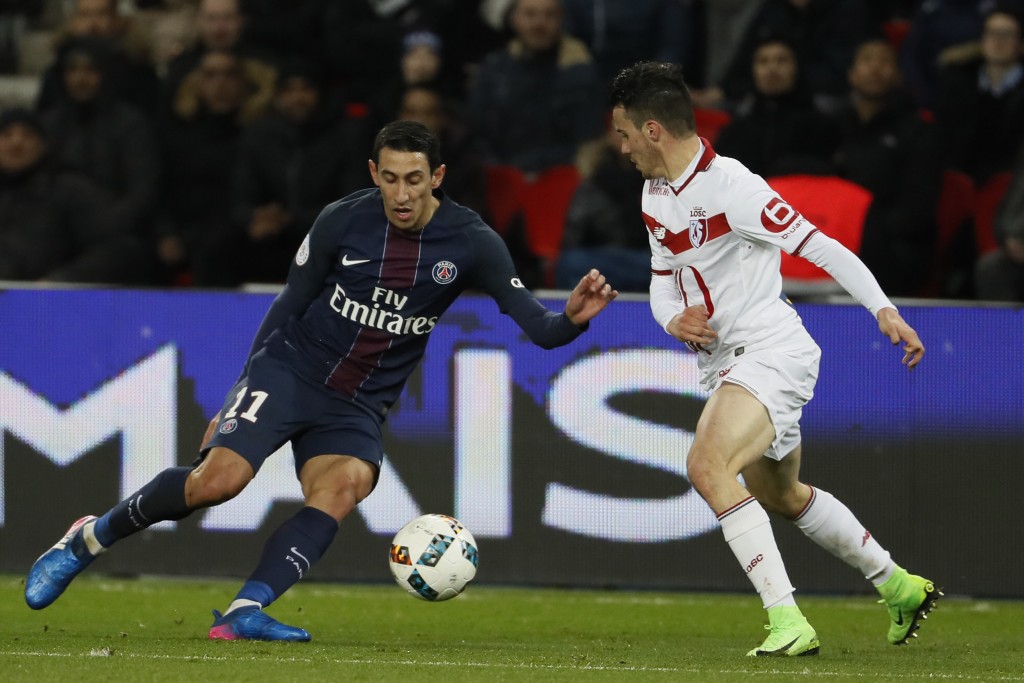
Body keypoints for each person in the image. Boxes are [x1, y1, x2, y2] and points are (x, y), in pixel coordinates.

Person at [24, 120, 618, 641]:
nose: (402, 194)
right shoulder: (343, 221)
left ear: (437, 176)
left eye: (414, 179)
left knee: (342, 488)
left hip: (358, 403)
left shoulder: (472, 242)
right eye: (390, 178)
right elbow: (288, 305)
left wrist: (571, 319)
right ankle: (86, 539)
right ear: (373, 173)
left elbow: (539, 331)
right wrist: (238, 392)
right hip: (291, 370)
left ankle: (244, 611)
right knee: (217, 483)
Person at [609, 61, 939, 657]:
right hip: (726, 364)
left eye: (624, 133)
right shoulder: (654, 194)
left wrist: (883, 310)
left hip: (769, 352)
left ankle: (787, 621)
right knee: (782, 496)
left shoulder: (734, 187)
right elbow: (663, 280)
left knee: (708, 466)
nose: (621, 146)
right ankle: (899, 584)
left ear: (652, 129)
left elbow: (820, 245)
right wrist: (671, 318)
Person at [829, 37, 942, 296]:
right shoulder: (832, 127)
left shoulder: (919, 131)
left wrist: (870, 233)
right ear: (852, 74)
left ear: (899, 76)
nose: (875, 68)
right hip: (836, 237)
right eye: (867, 60)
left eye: (884, 61)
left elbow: (918, 208)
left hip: (895, 244)